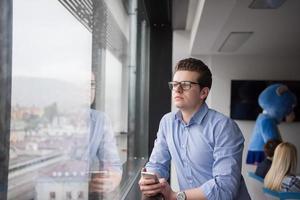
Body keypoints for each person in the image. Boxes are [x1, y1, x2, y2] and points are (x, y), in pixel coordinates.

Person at [139, 58, 250, 200]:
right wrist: (149, 180)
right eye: (174, 84)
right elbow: (157, 164)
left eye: (185, 85)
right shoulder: (167, 122)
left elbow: (225, 188)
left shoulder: (224, 127)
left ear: (203, 93)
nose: (177, 89)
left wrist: (176, 196)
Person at [88, 73, 122, 195]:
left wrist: (110, 180)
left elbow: (113, 164)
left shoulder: (100, 119)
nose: (88, 90)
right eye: (81, 84)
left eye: (91, 84)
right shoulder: (50, 120)